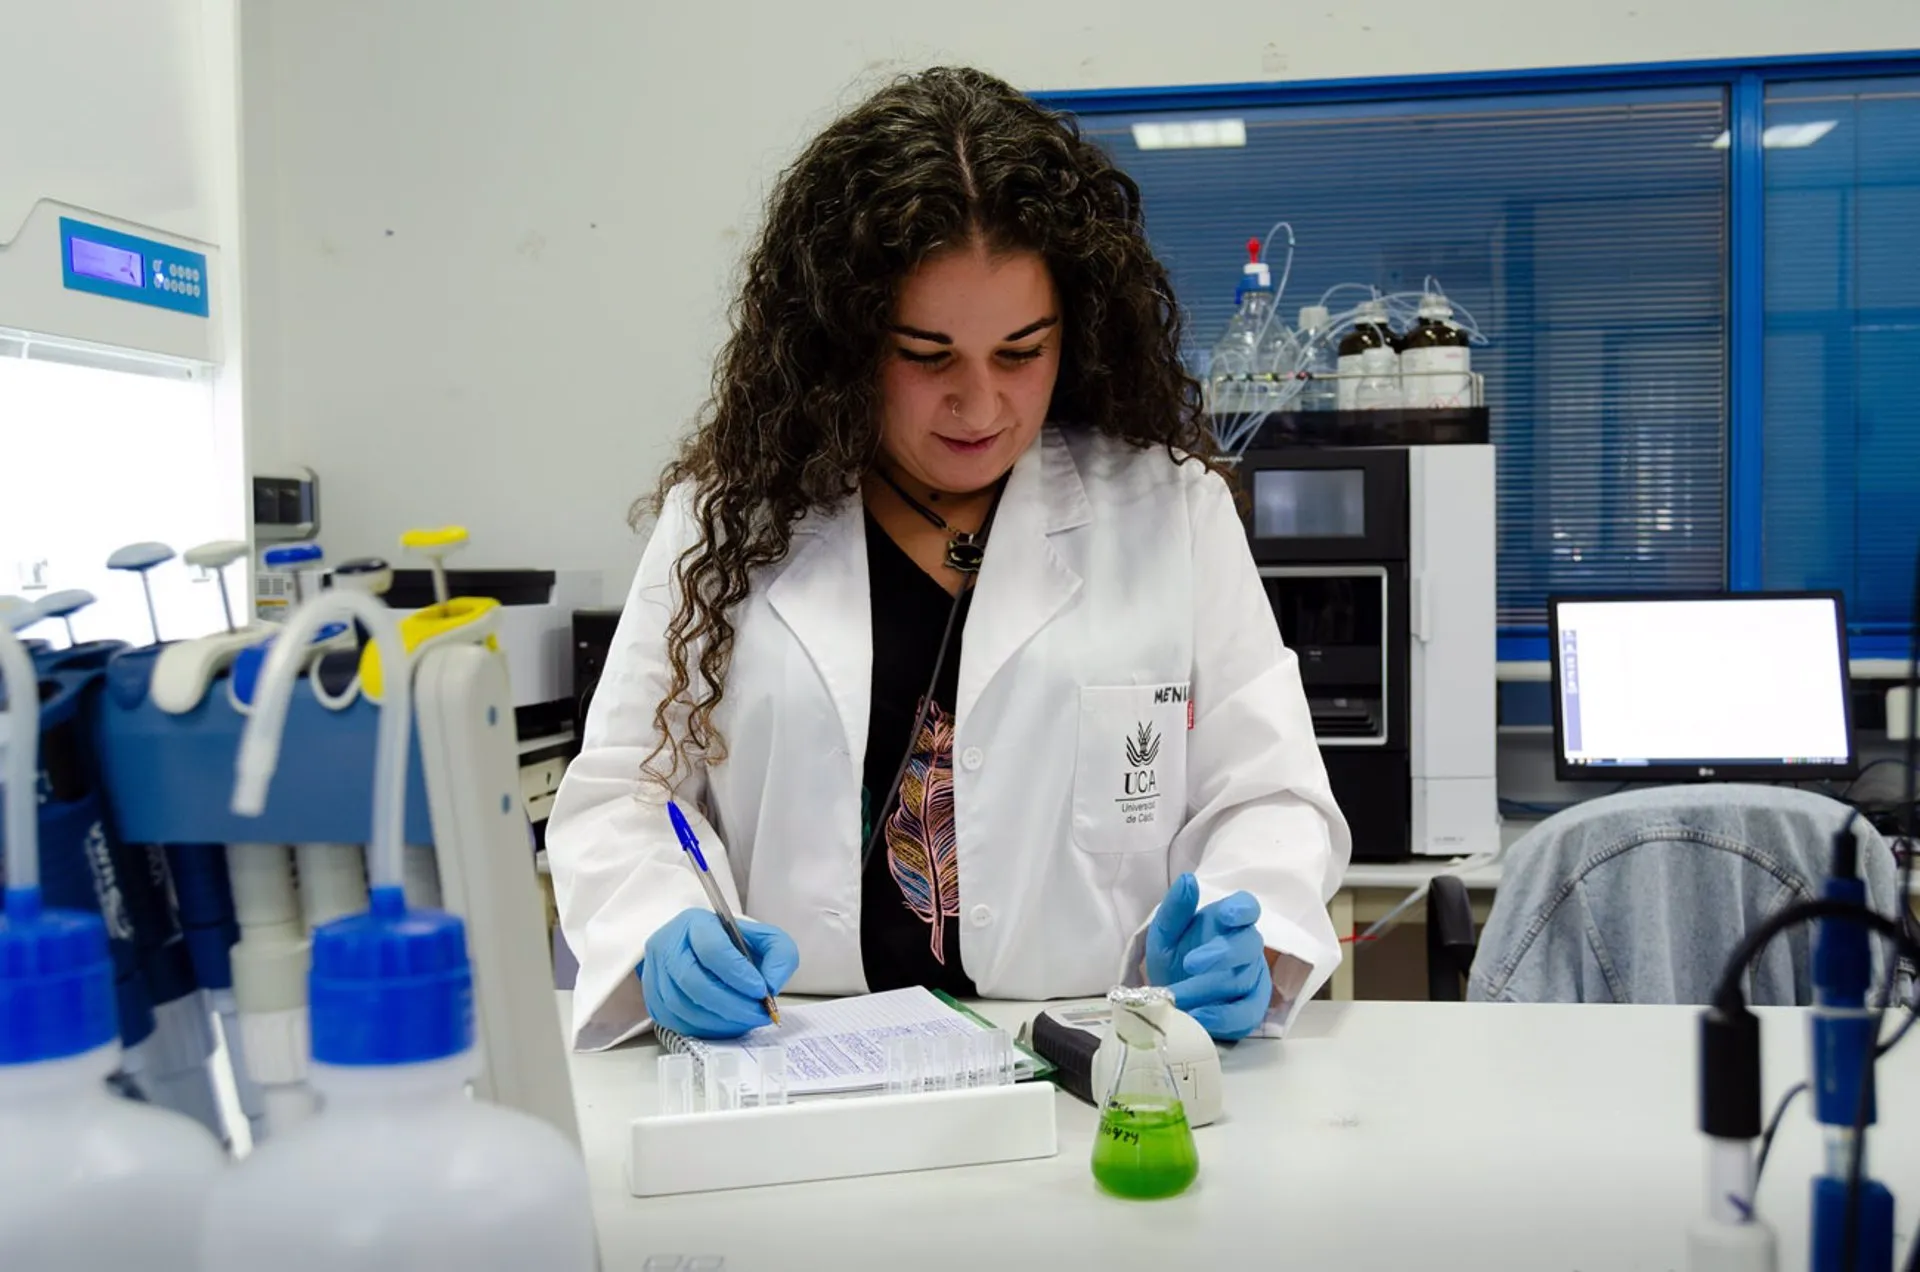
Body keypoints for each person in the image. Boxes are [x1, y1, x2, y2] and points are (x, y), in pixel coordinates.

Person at [547, 66, 1351, 1052]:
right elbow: (626, 795)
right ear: (843, 342)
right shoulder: (727, 523)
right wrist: (656, 924)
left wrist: (1249, 923)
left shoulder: (1168, 511)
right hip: (801, 1066)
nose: (981, 406)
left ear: (1077, 330)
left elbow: (1267, 796)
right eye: (927, 357)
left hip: (1093, 1064)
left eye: (1022, 352)